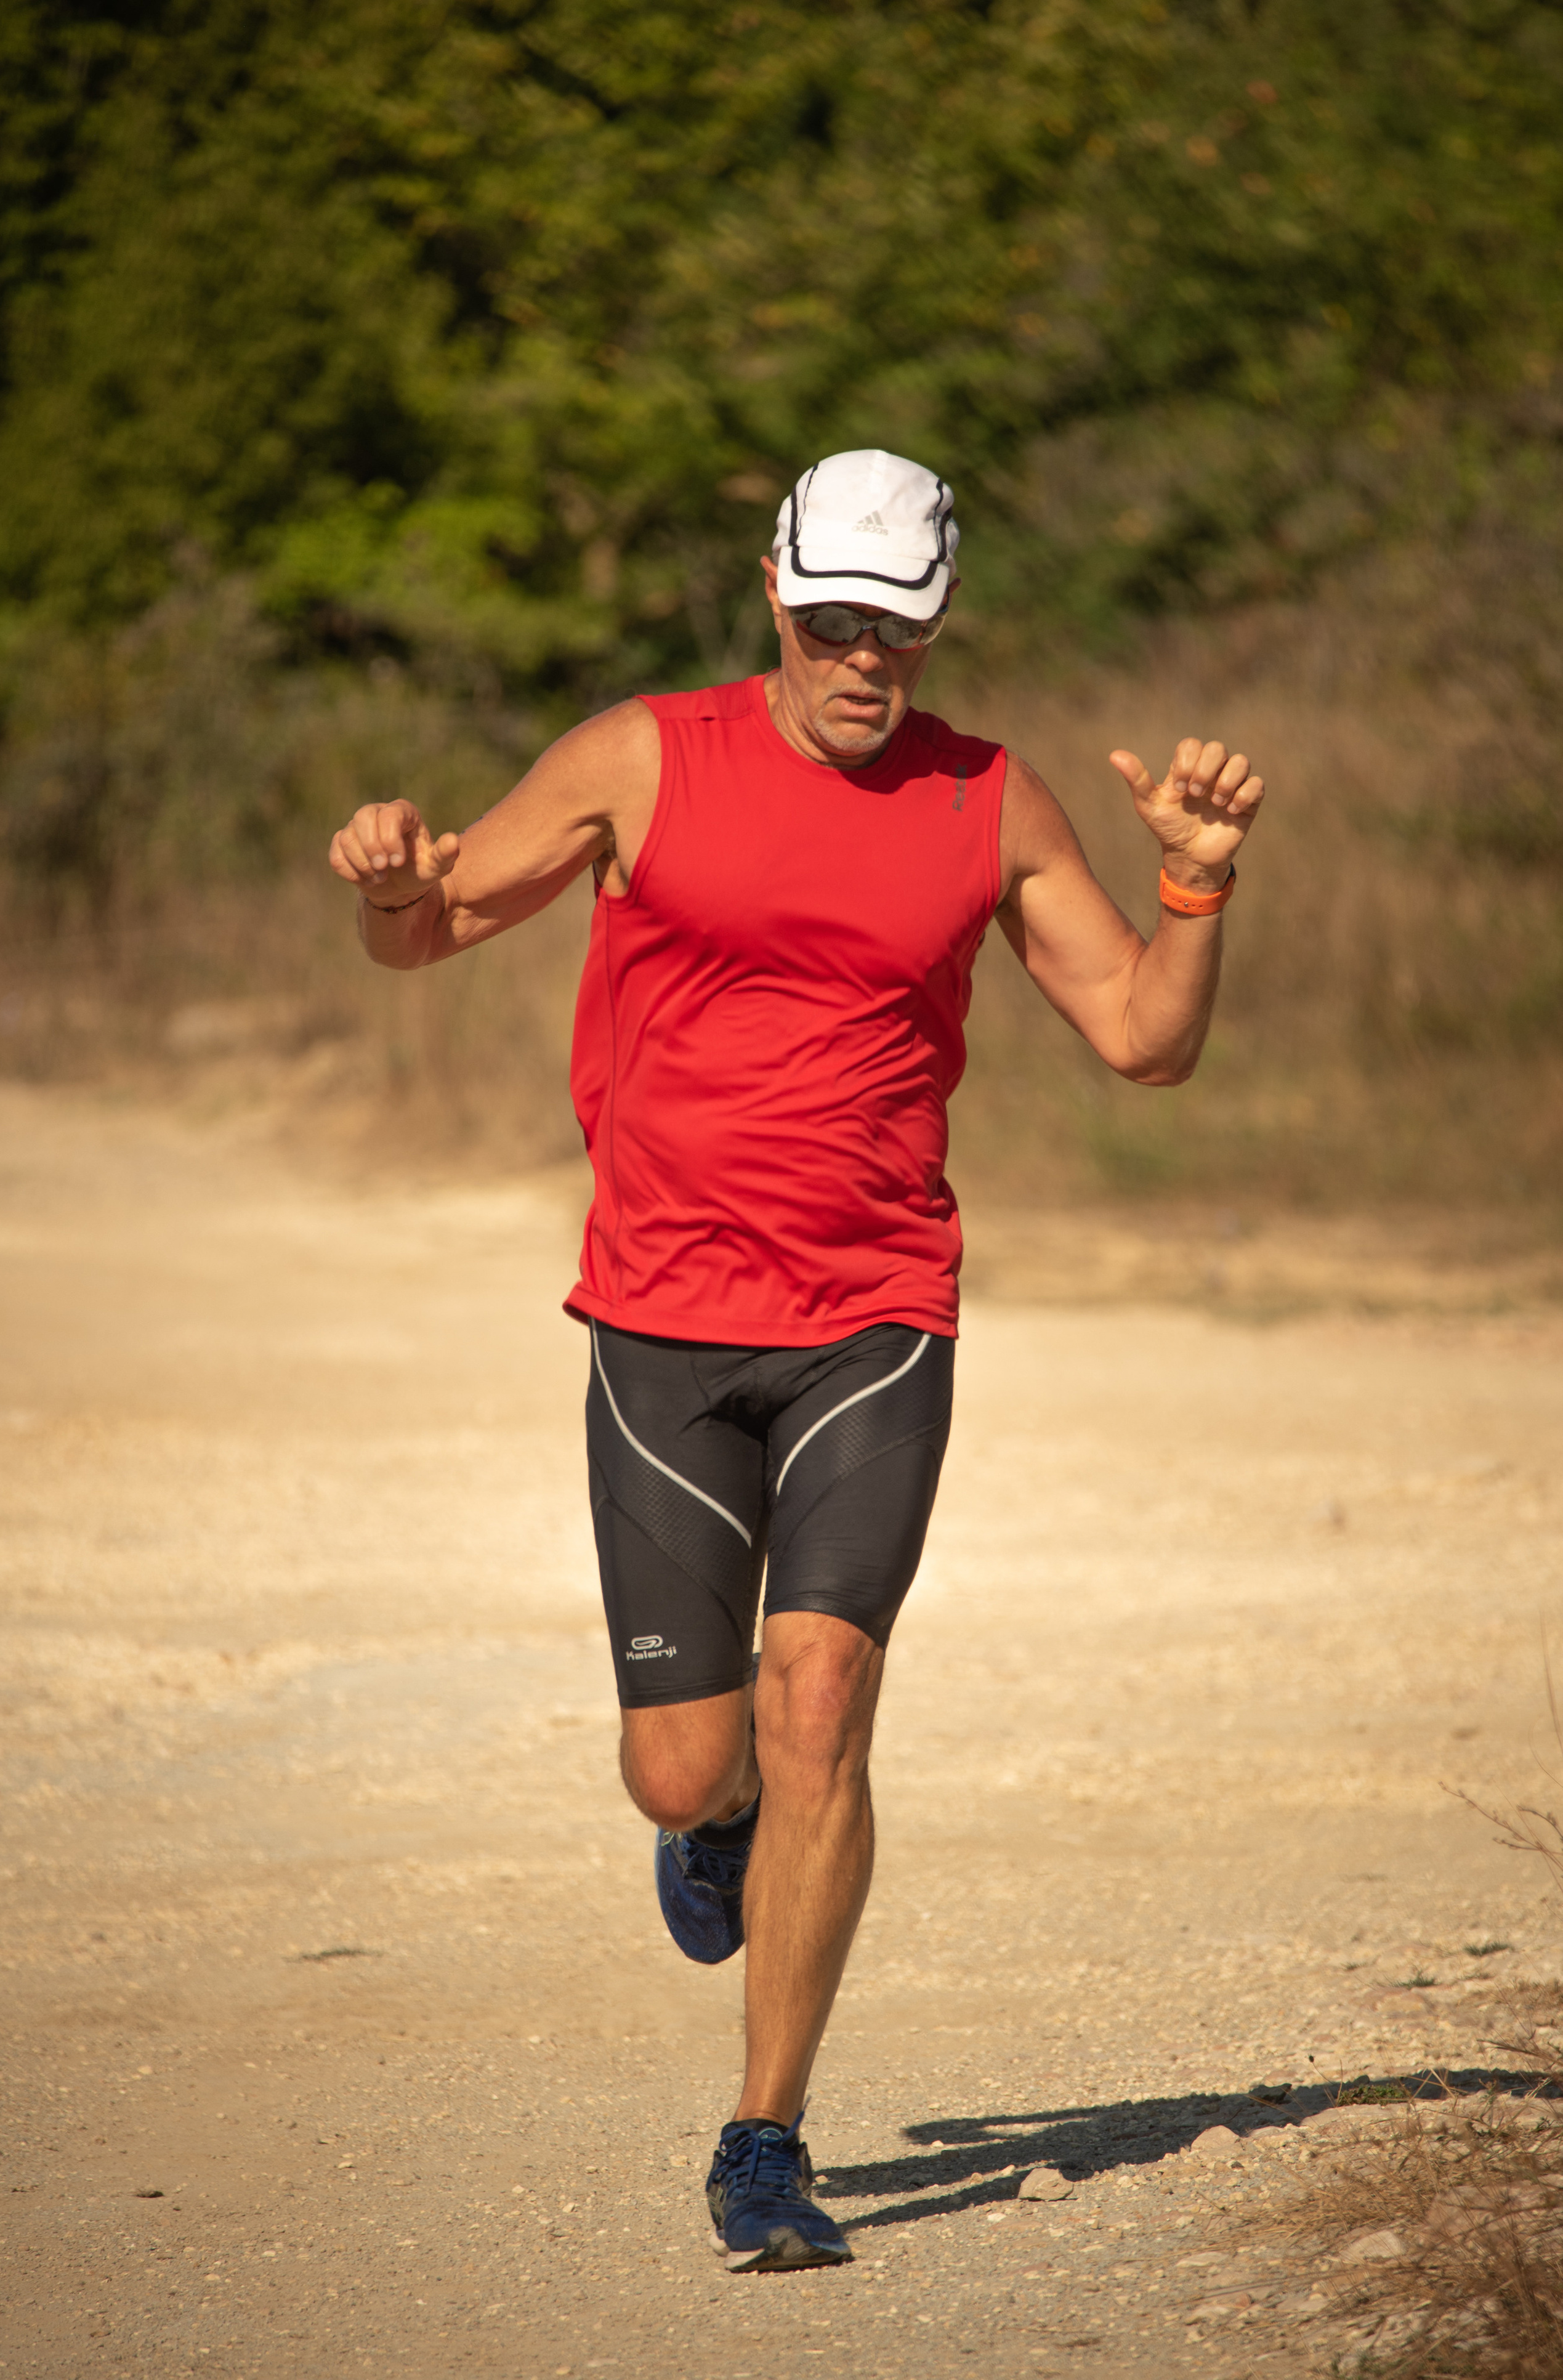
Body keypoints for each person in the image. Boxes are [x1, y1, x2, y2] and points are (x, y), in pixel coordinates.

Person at [327, 450, 1264, 2273]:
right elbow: (428, 928)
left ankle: (766, 2137)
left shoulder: (992, 801)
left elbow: (1145, 1041)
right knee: (687, 1773)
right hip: (664, 1324)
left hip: (876, 1319)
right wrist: (380, 880)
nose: (862, 661)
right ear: (774, 592)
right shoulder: (640, 758)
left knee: (823, 1689)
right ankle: (722, 1814)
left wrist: (1201, 891)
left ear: (935, 621)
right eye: (832, 622)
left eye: (895, 631)